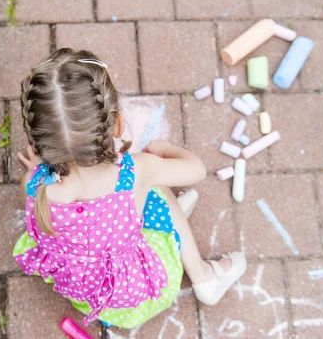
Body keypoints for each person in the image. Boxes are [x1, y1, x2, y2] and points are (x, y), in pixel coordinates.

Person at [13, 48, 247, 329]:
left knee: (140, 195)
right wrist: (163, 150)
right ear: (117, 123)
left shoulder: (34, 184)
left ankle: (162, 228)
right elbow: (196, 170)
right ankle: (204, 276)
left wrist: (37, 168)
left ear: (40, 142)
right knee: (160, 194)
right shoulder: (136, 171)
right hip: (140, 290)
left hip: (88, 294)